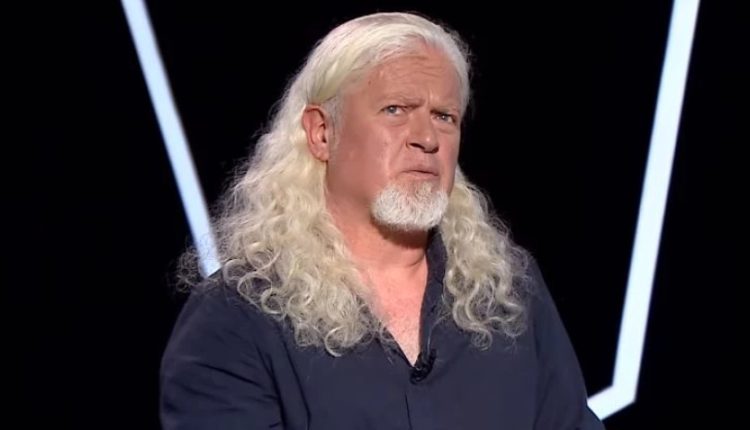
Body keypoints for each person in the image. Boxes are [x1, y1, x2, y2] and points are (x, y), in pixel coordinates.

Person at [160, 11, 605, 430]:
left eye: (444, 117)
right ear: (322, 133)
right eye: (395, 110)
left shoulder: (508, 290)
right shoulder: (235, 317)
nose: (427, 138)